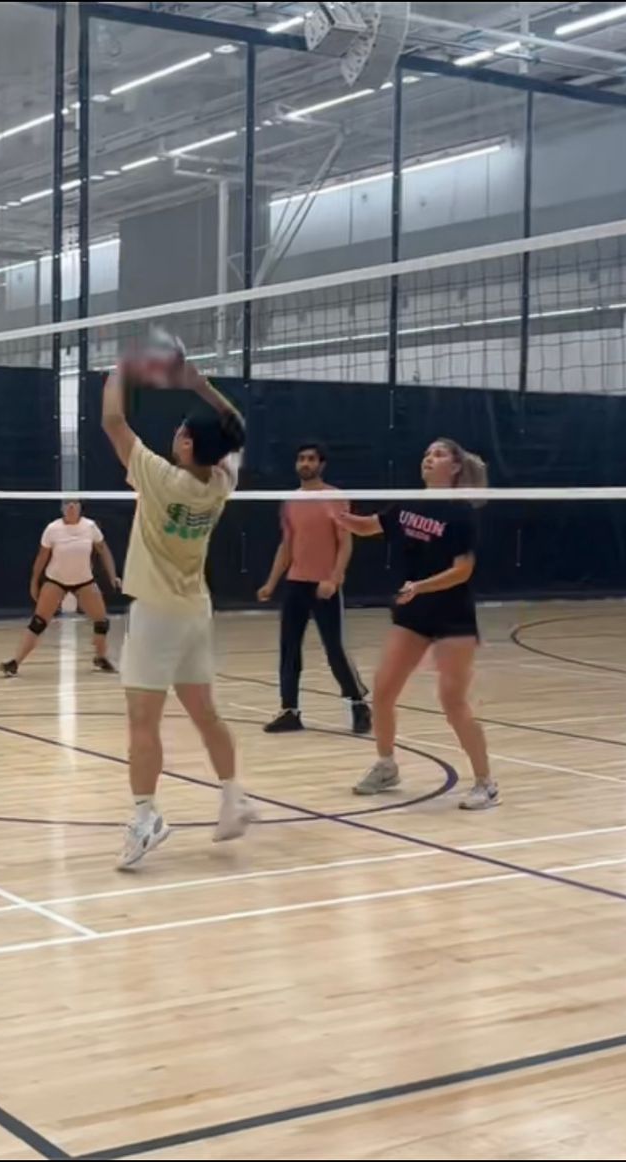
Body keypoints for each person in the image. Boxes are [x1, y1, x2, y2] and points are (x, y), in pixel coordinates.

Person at [102, 335, 253, 869]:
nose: (174, 434)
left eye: (181, 431)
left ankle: (146, 817)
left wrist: (118, 371)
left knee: (142, 720)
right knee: (204, 712)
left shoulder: (162, 479)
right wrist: (200, 385)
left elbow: (113, 425)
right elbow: (235, 425)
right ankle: (233, 796)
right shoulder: (221, 481)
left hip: (158, 613)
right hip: (194, 610)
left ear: (187, 446)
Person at [335, 439, 498, 811]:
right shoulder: (409, 501)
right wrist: (341, 517)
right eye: (426, 453)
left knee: (452, 700)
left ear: (455, 468)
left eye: (439, 454)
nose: (429, 458)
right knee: (383, 689)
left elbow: (463, 570)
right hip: (413, 613)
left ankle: (485, 783)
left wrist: (420, 586)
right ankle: (387, 765)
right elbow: (368, 527)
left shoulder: (461, 513)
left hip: (452, 614)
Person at [257, 442, 371, 735]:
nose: (305, 463)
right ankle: (289, 711)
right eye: (301, 459)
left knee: (335, 649)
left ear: (321, 464)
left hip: (325, 586)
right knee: (289, 648)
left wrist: (334, 579)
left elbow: (345, 541)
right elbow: (287, 544)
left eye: (311, 459)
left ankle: (358, 704)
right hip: (296, 584)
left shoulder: (334, 498)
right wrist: (271, 582)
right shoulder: (291, 500)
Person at [0, 500, 121, 677]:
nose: (71, 507)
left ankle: (101, 658)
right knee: (38, 623)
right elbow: (41, 558)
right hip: (56, 580)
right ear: (62, 509)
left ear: (80, 508)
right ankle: (15, 662)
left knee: (101, 622)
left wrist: (113, 576)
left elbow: (104, 551)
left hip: (84, 581)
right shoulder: (53, 529)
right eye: (67, 505)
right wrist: (34, 582)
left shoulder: (90, 527)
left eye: (75, 504)